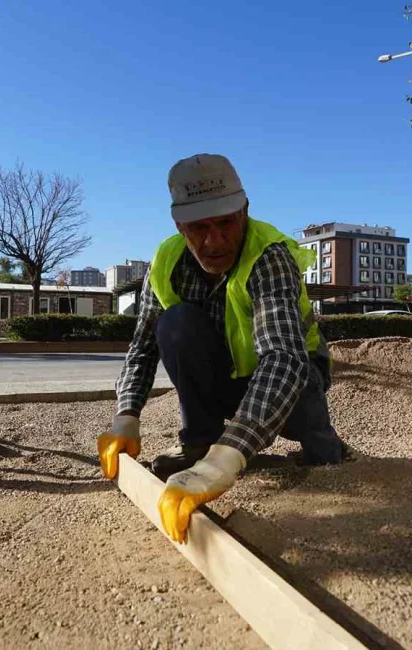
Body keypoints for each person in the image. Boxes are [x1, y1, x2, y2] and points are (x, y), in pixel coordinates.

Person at [98, 153, 347, 543]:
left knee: (307, 429)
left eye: (226, 223)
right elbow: (144, 347)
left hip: (292, 377)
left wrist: (229, 455)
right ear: (179, 225)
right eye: (198, 227)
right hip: (225, 371)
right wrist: (126, 415)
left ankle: (324, 444)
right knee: (176, 324)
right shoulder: (166, 262)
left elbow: (284, 359)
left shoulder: (269, 256)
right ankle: (199, 444)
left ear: (245, 211)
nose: (214, 241)